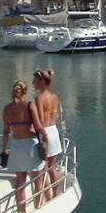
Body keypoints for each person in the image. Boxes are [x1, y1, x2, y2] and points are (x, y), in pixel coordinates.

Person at [1, 80, 46, 213]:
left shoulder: (7, 109)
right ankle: (38, 207)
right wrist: (46, 136)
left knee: (20, 181)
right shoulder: (29, 105)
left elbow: (6, 131)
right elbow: (38, 126)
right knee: (37, 179)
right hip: (30, 144)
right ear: (25, 92)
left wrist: (4, 149)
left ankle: (22, 211)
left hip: (16, 145)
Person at [33, 68, 62, 200]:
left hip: (45, 133)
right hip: (54, 131)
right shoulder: (56, 95)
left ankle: (48, 197)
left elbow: (40, 119)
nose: (33, 83)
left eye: (34, 81)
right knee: (52, 167)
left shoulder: (39, 99)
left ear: (41, 82)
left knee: (43, 168)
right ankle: (56, 193)